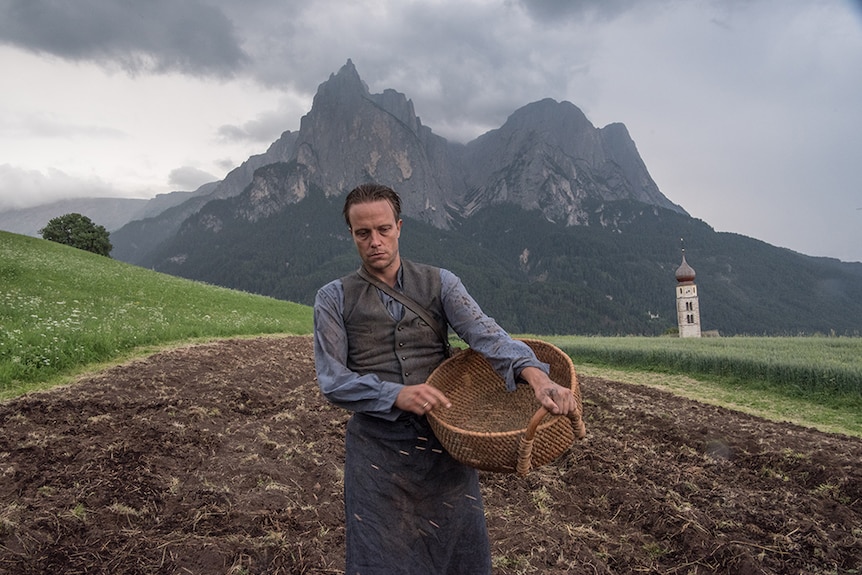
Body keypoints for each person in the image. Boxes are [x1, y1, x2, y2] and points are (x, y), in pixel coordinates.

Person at [313, 183, 577, 575]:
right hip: (376, 456)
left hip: (444, 447)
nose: (375, 241)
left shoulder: (441, 283)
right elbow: (332, 380)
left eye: (383, 229)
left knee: (458, 555)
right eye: (363, 233)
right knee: (381, 561)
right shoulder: (333, 298)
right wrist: (395, 394)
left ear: (399, 227)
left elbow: (487, 335)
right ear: (351, 234)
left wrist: (536, 377)